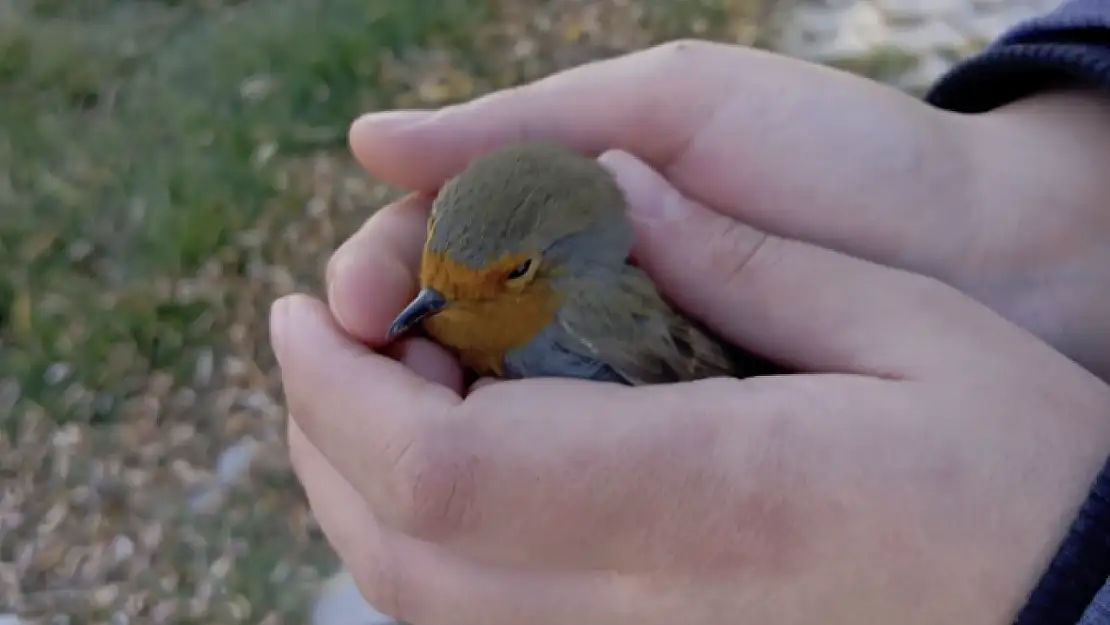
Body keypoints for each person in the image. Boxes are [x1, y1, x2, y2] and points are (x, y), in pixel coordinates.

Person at [270, 0, 1110, 623]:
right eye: (437, 279)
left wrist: (1070, 572)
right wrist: (1014, 188)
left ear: (553, 264)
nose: (438, 303)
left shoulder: (604, 314)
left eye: (512, 272)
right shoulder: (463, 305)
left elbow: (722, 383)